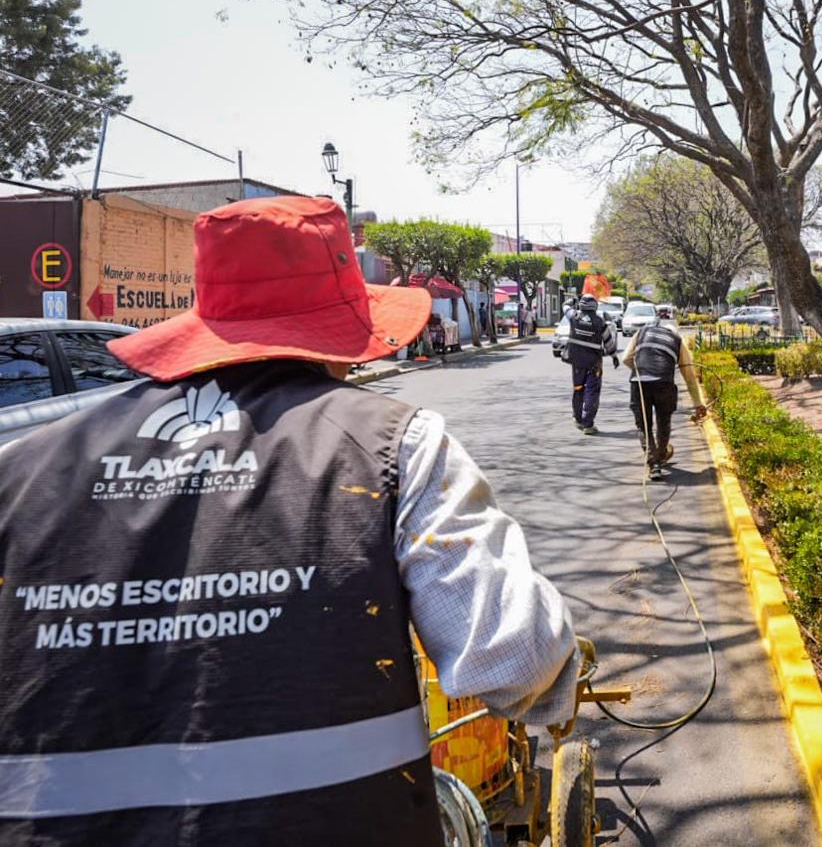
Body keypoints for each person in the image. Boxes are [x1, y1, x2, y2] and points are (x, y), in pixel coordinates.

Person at [0, 197, 578, 846]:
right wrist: (560, 677)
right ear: (339, 332)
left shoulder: (21, 471)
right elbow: (514, 659)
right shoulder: (397, 445)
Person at [622, 321, 708, 467]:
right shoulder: (677, 341)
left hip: (639, 383)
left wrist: (643, 371)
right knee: (663, 420)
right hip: (664, 383)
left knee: (643, 424)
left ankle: (653, 462)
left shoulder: (642, 332)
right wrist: (698, 403)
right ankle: (661, 455)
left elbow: (626, 358)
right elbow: (689, 378)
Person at [565, 293, 618, 435]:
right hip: (594, 364)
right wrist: (614, 356)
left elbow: (565, 307)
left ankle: (578, 419)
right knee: (592, 392)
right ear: (595, 307)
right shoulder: (600, 322)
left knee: (578, 389)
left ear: (581, 306)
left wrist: (571, 300)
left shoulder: (574, 316)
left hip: (577, 362)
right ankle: (588, 424)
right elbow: (608, 342)